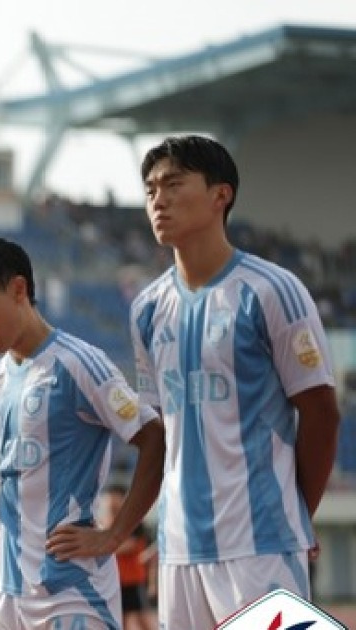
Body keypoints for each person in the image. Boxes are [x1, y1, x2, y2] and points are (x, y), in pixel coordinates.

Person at [131, 135, 340, 627]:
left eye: (173, 184)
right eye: (151, 189)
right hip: (179, 550)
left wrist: (295, 514)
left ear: (220, 195)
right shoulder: (146, 309)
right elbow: (161, 433)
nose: (158, 200)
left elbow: (321, 413)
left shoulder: (272, 291)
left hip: (260, 545)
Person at [0, 234, 165, 630]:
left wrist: (114, 535)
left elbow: (154, 437)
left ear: (18, 289)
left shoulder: (79, 364)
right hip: (9, 592)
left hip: (71, 592)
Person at [99, 485, 154, 630]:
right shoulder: (106, 522)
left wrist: (102, 545)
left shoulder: (134, 523)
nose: (111, 503)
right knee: (120, 620)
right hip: (117, 581)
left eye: (115, 498)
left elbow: (128, 546)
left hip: (133, 580)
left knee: (143, 619)